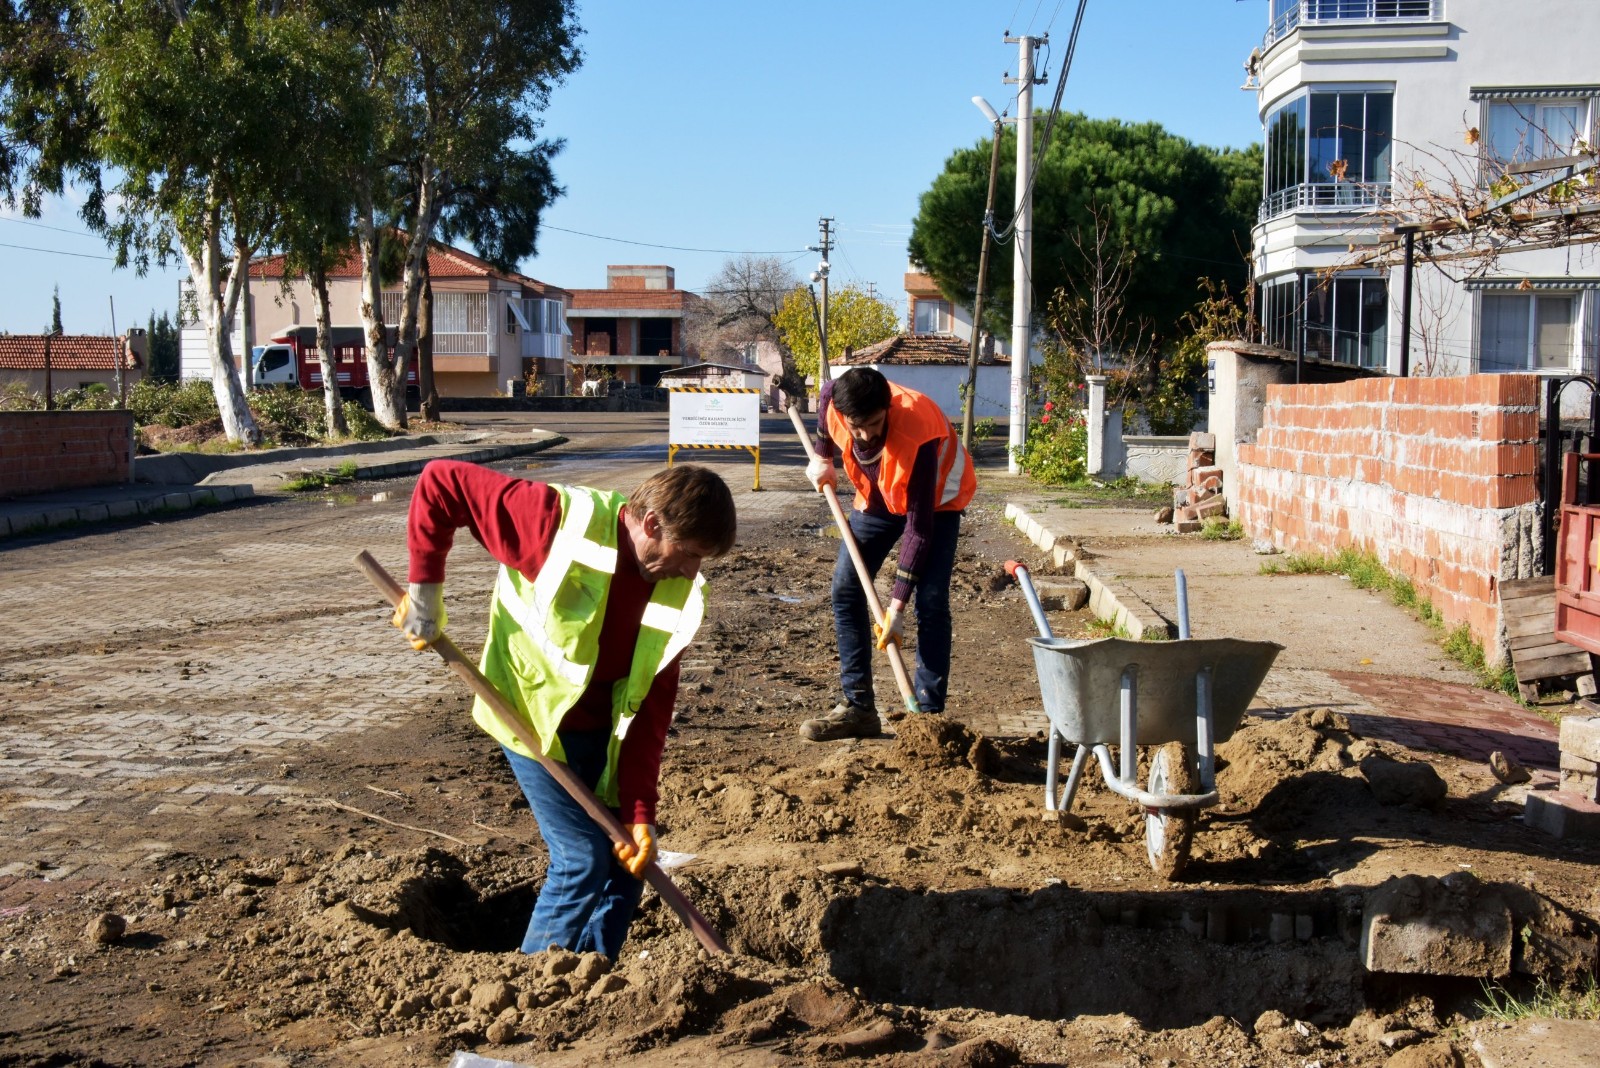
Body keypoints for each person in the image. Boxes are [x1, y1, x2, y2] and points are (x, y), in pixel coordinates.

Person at [391, 460, 737, 959]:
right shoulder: (557, 522)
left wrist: (641, 813)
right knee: (582, 860)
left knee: (630, 864)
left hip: (602, 734)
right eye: (687, 554)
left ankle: (593, 978)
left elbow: (652, 710)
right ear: (654, 524)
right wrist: (425, 591)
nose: (691, 571)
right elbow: (440, 482)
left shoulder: (678, 591)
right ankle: (530, 983)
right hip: (531, 720)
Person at [800, 367, 976, 741]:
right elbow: (827, 395)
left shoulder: (918, 430)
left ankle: (928, 720)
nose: (865, 435)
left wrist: (894, 609)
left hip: (935, 504)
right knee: (846, 587)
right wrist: (822, 456)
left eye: (875, 424)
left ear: (888, 409)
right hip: (879, 500)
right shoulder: (836, 399)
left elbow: (919, 530)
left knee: (928, 600)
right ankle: (859, 707)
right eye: (855, 427)